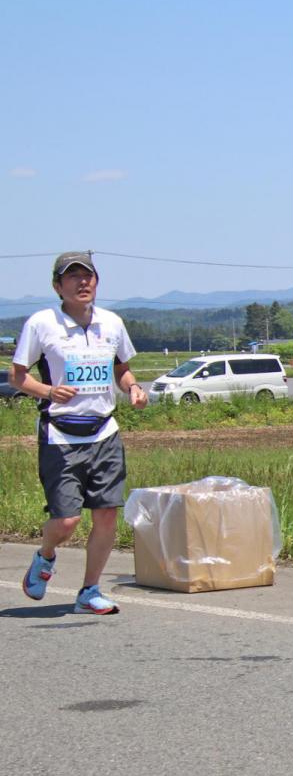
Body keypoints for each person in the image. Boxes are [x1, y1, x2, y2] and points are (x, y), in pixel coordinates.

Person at [10, 252, 148, 614]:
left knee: (106, 515)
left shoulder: (112, 323)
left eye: (88, 276)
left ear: (97, 282)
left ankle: (89, 591)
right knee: (67, 521)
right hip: (61, 436)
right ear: (58, 286)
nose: (82, 282)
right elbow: (18, 376)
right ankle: (45, 555)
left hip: (104, 432)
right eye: (72, 277)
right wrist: (49, 391)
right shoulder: (42, 324)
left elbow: (122, 368)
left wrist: (133, 388)